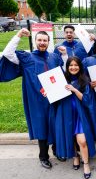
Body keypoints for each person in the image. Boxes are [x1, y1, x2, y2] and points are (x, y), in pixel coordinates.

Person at [0, 28, 63, 169]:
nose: (42, 43)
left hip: (54, 98)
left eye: (45, 40)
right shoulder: (27, 58)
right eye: (39, 40)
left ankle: (57, 150)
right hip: (37, 100)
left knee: (55, 124)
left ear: (48, 42)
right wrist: (18, 35)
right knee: (41, 127)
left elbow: (62, 71)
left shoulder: (53, 57)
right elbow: (8, 54)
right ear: (35, 41)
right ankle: (43, 156)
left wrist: (64, 54)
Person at [54, 57, 96, 179]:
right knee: (70, 137)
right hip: (66, 114)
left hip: (80, 115)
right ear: (67, 67)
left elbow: (86, 100)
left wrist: (74, 89)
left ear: (80, 66)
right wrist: (48, 92)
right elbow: (55, 96)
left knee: (82, 141)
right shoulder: (62, 80)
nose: (73, 67)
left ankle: (86, 164)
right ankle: (75, 157)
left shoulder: (84, 81)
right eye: (71, 65)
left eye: (76, 65)